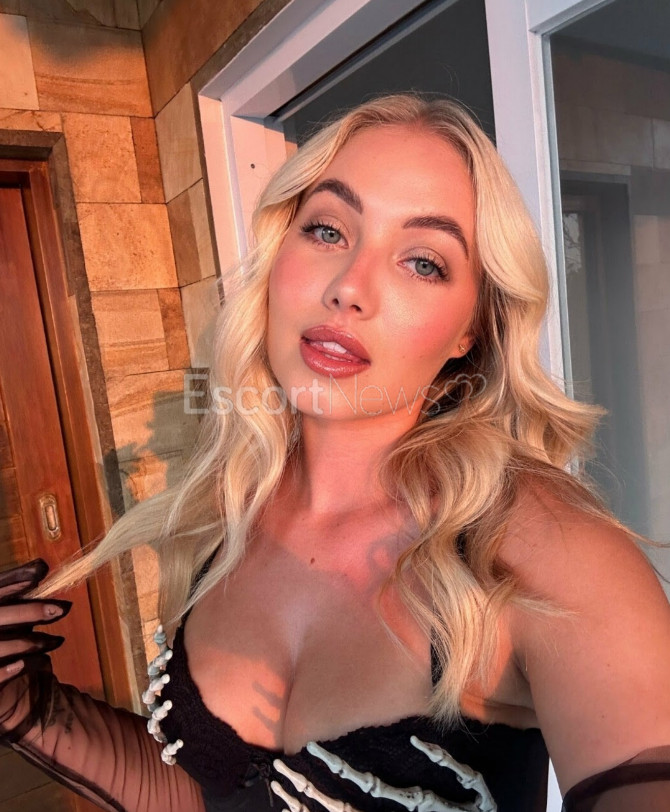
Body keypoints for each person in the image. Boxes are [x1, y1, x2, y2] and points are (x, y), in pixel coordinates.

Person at [1, 94, 670, 812]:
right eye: (327, 229)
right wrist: (29, 708)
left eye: (423, 262)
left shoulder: (542, 548)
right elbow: (209, 792)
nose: (348, 287)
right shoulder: (227, 508)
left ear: (470, 331)